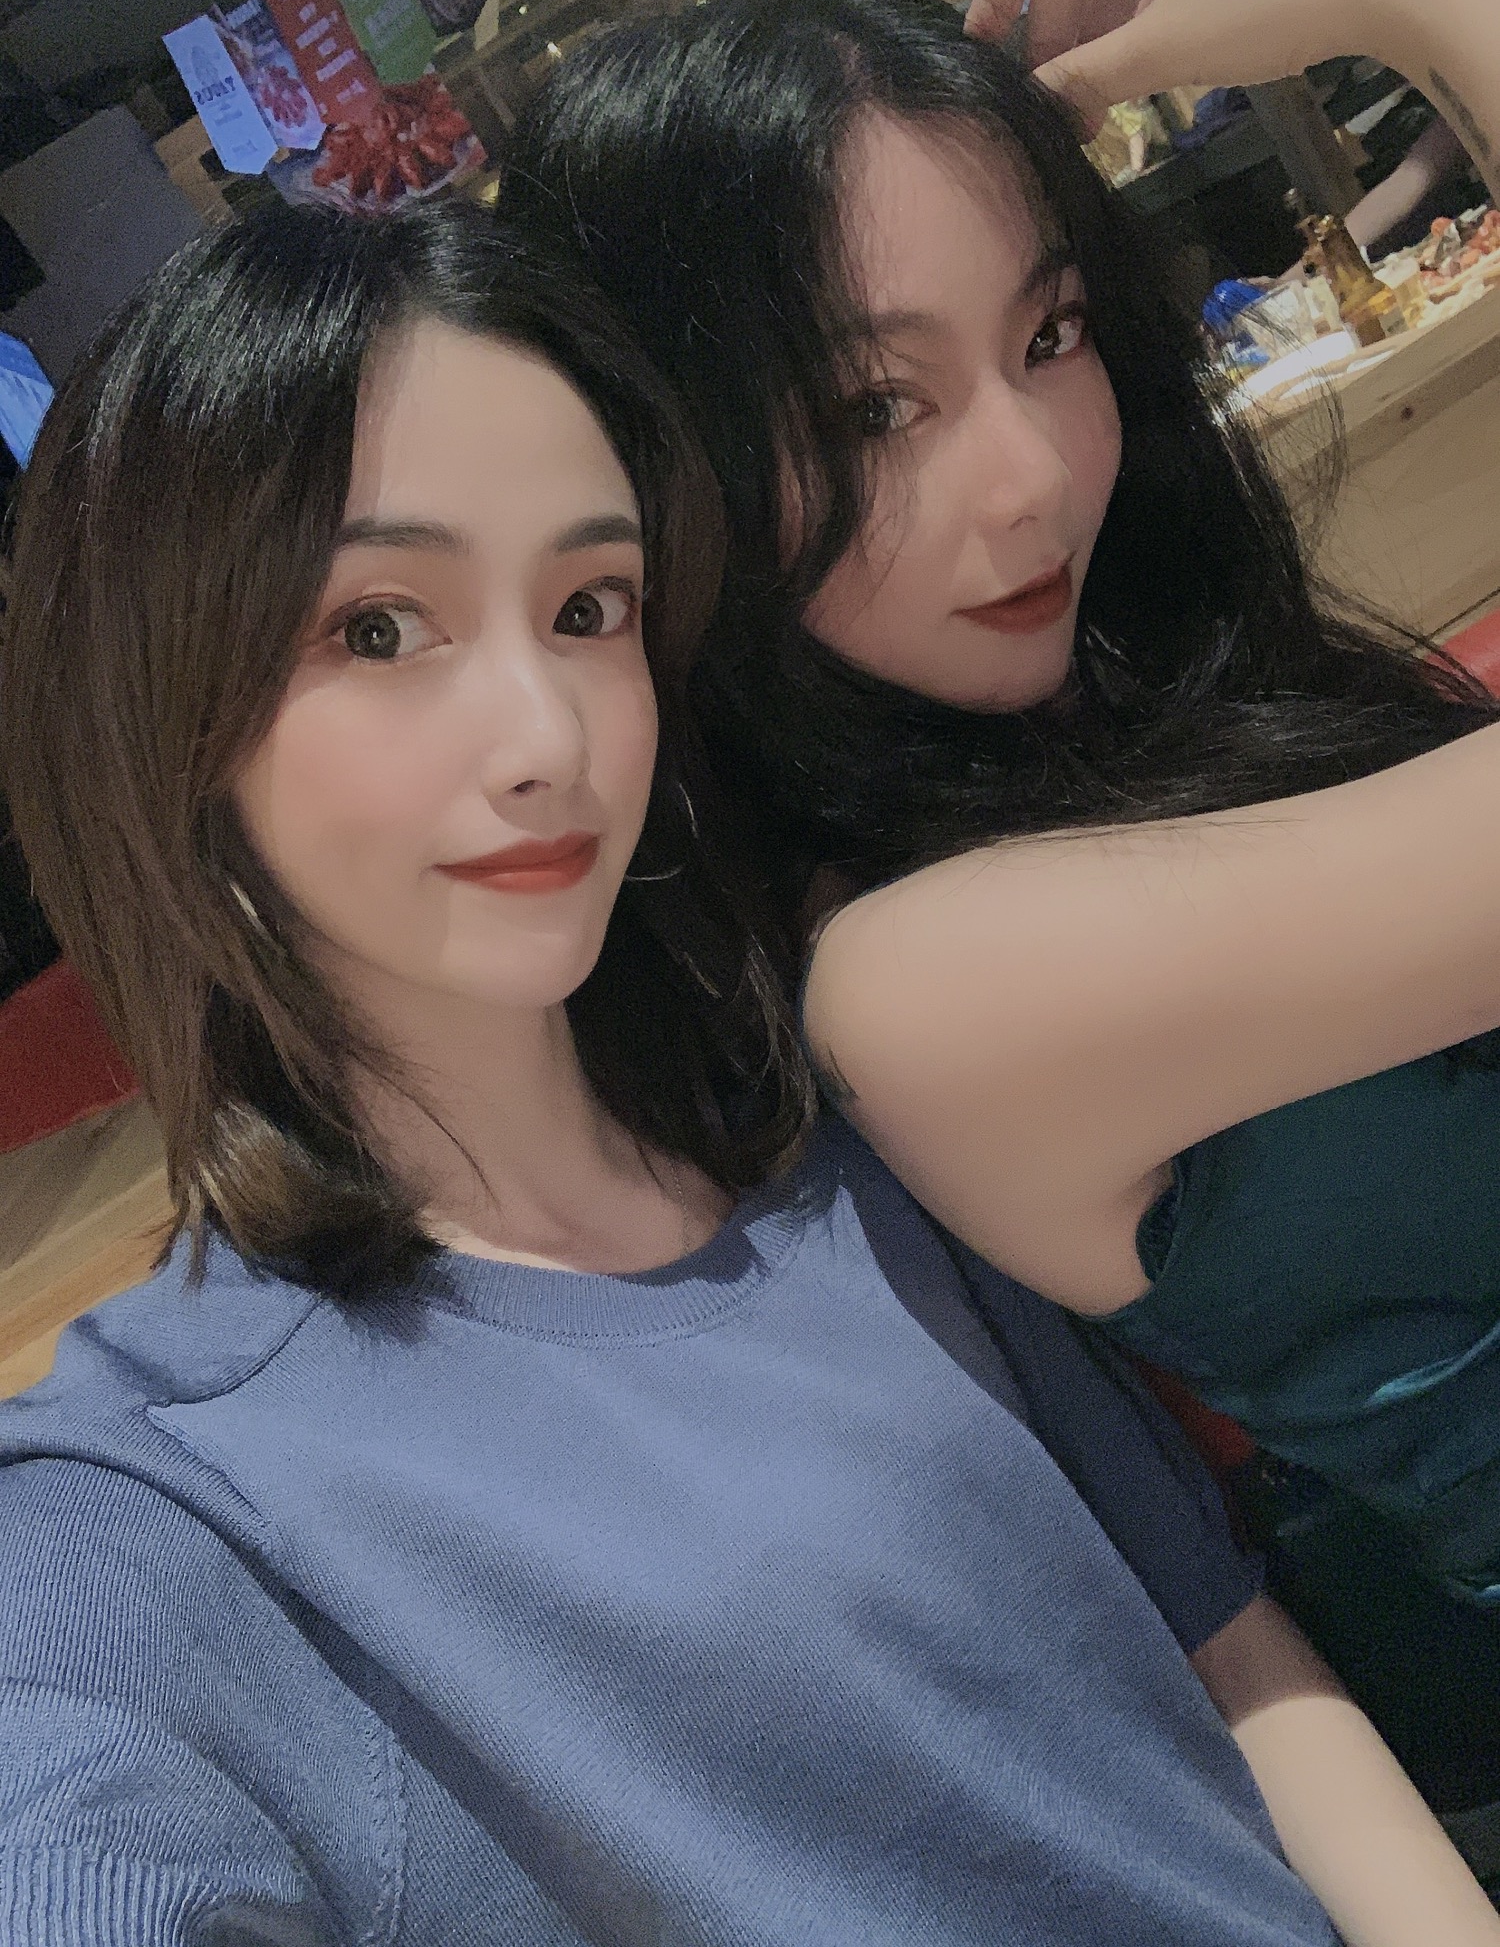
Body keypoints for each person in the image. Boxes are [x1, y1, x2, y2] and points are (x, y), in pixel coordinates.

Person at [4, 200, 1481, 1943]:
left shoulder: (833, 1172)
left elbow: (1228, 1656)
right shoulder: (168, 1489)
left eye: (588, 606)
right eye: (381, 630)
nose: (546, 737)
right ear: (164, 707)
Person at [494, 0, 1500, 1821]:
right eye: (874, 413)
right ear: (671, 482)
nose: (1033, 474)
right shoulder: (923, 981)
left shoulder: (1128, 711)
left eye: (1050, 335)